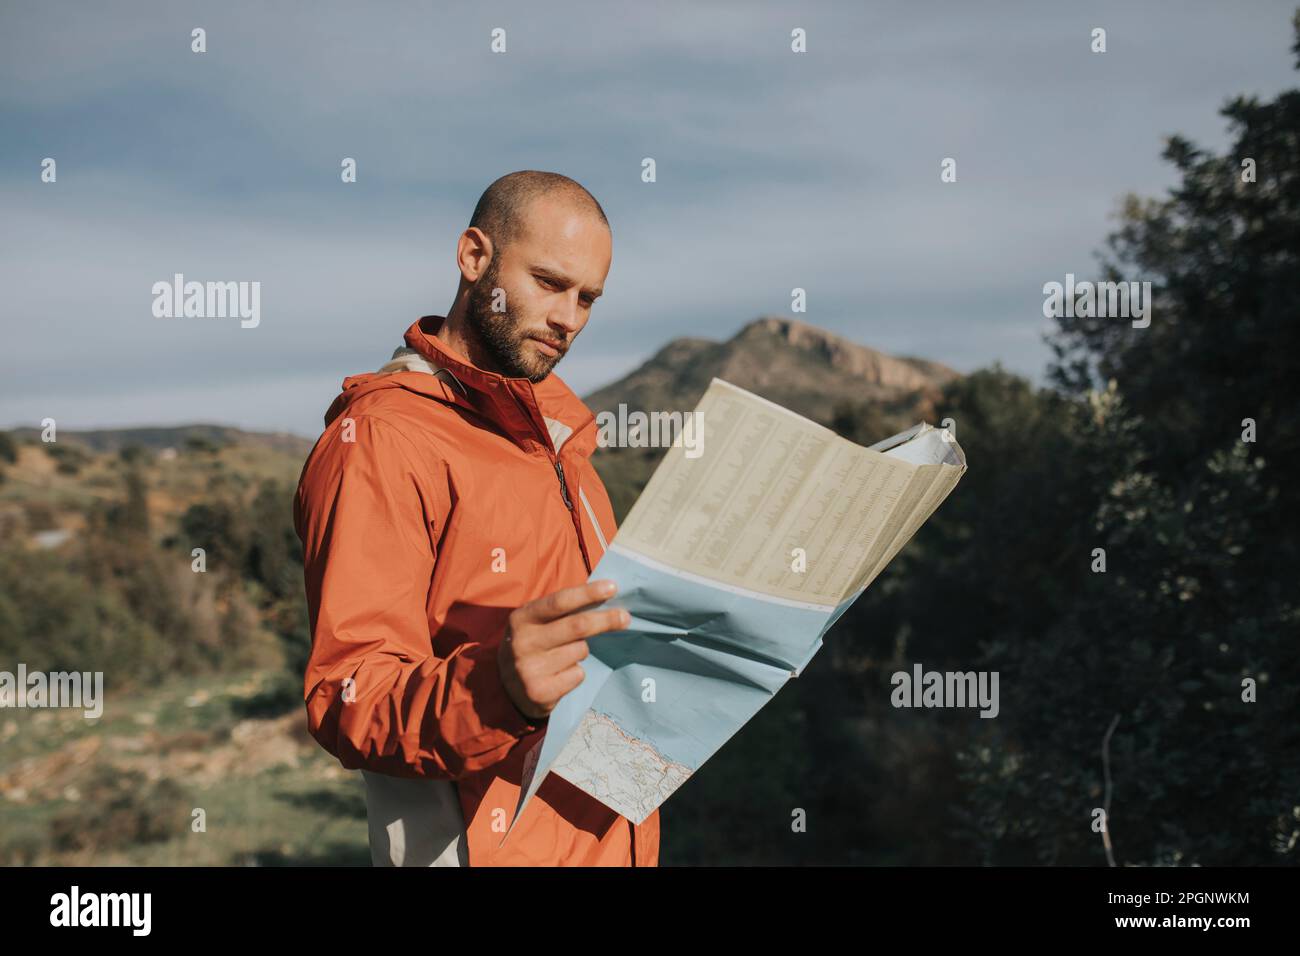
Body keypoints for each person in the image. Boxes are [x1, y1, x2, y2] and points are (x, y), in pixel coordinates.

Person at [293, 171, 659, 866]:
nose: (570, 319)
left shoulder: (563, 444)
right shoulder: (382, 437)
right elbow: (350, 695)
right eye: (550, 284)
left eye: (588, 298)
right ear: (473, 258)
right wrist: (500, 691)